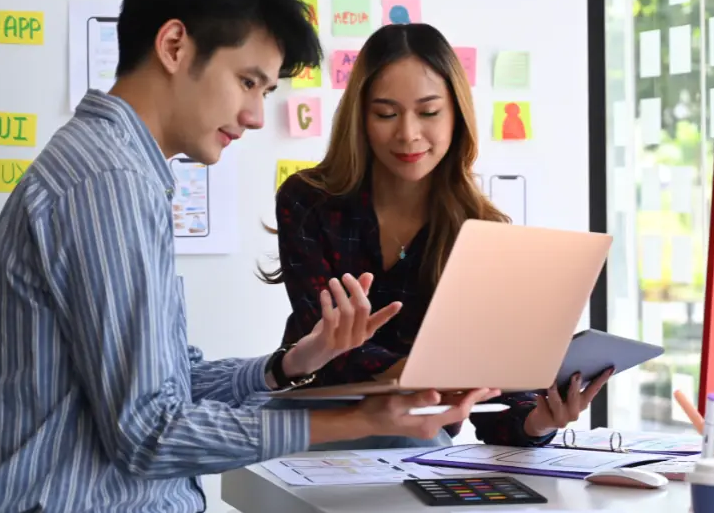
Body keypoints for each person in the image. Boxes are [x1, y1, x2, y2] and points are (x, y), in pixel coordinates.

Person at [0, 0, 496, 513]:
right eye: (248, 81)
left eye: (266, 92)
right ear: (174, 46)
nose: (257, 115)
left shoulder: (119, 170)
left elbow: (170, 384)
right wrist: (355, 418)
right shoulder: (106, 183)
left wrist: (288, 364)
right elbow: (148, 434)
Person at [261, 23, 612, 450]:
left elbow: (495, 407)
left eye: (429, 112)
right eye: (386, 114)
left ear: (456, 115)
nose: (408, 134)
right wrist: (420, 373)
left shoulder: (481, 228)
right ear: (360, 116)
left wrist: (540, 419)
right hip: (314, 424)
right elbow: (321, 339)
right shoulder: (308, 201)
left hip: (418, 438)